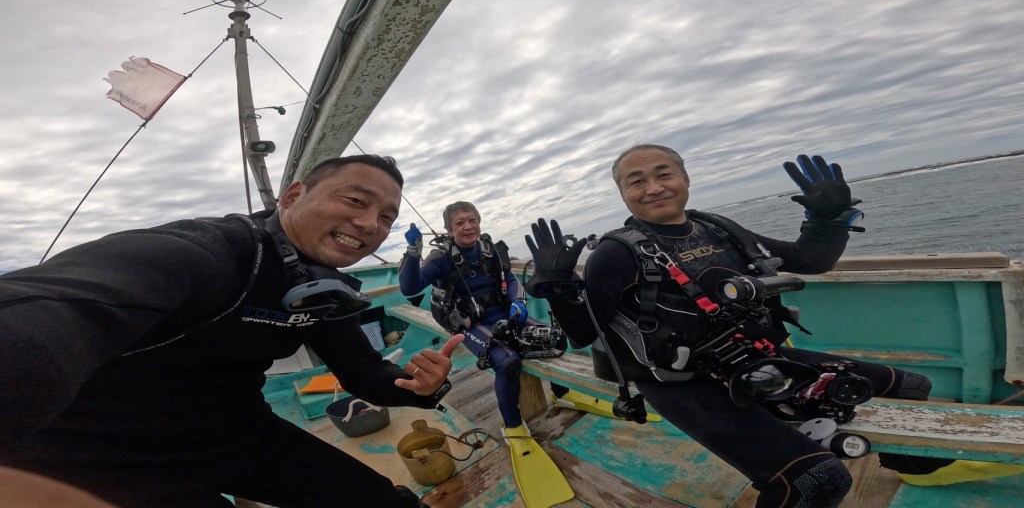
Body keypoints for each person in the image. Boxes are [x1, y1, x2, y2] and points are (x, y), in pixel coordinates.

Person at [0, 154, 461, 508]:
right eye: (356, 201)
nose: (369, 224)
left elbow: (363, 373)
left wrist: (420, 387)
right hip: (99, 459)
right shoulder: (208, 253)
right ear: (292, 196)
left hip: (234, 434)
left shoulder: (324, 287)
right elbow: (49, 316)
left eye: (386, 217)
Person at [524, 144, 938, 508]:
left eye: (664, 174)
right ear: (623, 194)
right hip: (680, 381)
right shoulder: (615, 253)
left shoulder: (720, 230)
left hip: (753, 358)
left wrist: (827, 219)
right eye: (637, 181)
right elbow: (583, 333)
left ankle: (916, 470)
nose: (653, 188)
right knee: (815, 480)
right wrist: (559, 287)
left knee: (910, 385)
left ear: (685, 179)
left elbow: (811, 260)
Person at [397, 201, 537, 436]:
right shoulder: (440, 258)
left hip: (504, 312)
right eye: (460, 223)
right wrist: (413, 252)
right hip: (471, 323)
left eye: (472, 220)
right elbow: (409, 288)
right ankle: (513, 428)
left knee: (551, 339)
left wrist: (518, 301)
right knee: (507, 363)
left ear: (479, 222)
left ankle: (562, 394)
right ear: (449, 229)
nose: (468, 226)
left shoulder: (490, 249)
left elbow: (510, 279)